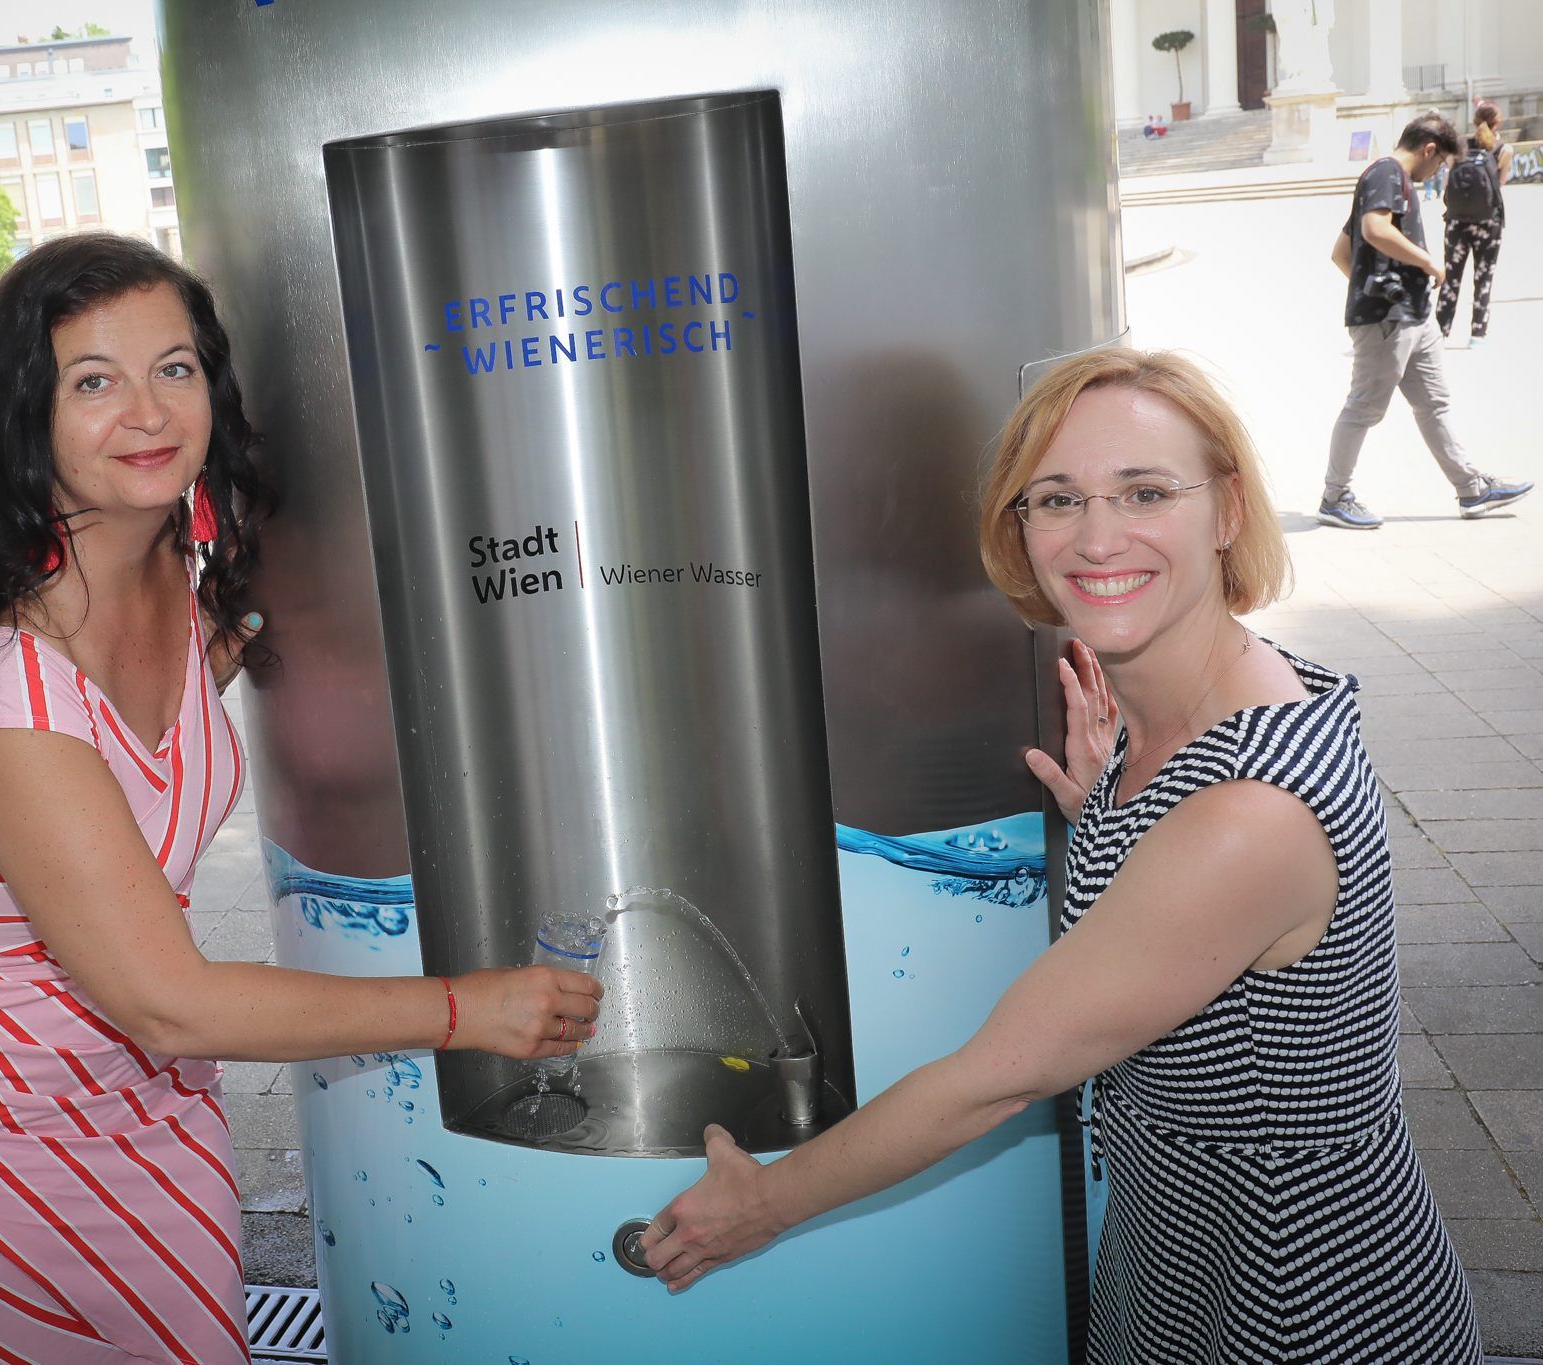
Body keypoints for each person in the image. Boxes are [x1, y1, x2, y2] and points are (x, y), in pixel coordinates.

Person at [641, 349, 1482, 1364]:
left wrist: (762, 1203)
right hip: (1183, 1253)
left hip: (1294, 1295)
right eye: (1053, 500)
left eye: (1142, 491)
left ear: (1224, 511)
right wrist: (1116, 817)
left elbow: (993, 1082)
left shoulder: (1241, 815)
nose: (1094, 537)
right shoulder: (1200, 711)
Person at [0, 233, 602, 1363]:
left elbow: (132, 764)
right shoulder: (5, 682)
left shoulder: (166, 565)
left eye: (174, 368)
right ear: (27, 415)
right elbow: (172, 1001)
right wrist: (467, 1010)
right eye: (93, 381)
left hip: (141, 1090)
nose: (148, 413)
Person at [1317, 112, 1531, 530]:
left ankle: (1471, 489)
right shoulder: (1388, 173)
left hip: (1414, 315)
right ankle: (1334, 496)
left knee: (1433, 404)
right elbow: (1374, 229)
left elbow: (1341, 252)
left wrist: (1371, 284)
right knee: (1364, 408)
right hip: (1388, 320)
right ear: (1429, 150)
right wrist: (1429, 264)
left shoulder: (1383, 178)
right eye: (1440, 164)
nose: (1438, 173)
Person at [1437, 101, 1514, 346]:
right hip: (1488, 223)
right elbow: (1499, 185)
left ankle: (1441, 332)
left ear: (1474, 120)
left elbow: (1448, 183)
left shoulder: (1457, 147)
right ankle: (1477, 335)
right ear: (1497, 123)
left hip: (1457, 222)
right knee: (1484, 278)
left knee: (1451, 278)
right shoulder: (1503, 149)